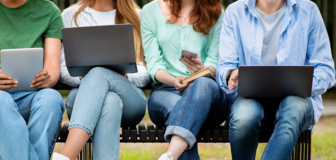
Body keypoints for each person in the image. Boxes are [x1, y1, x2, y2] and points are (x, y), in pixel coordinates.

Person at [217, 0, 335, 159]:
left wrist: (304, 84)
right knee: (243, 117)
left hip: (297, 100)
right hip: (249, 99)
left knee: (292, 111)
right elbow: (225, 66)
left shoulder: (309, 10)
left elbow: (326, 69)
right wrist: (230, 75)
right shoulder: (235, 12)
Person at [51, 0, 150, 159]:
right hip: (81, 101)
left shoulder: (138, 17)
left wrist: (121, 76)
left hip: (130, 101)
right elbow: (63, 69)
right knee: (110, 99)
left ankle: (66, 155)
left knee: (98, 73)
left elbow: (148, 70)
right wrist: (86, 77)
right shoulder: (70, 15)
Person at [0, 0, 65, 159]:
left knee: (51, 98)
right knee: (0, 99)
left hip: (33, 95)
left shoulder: (50, 10)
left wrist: (48, 78)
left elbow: (53, 65)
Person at [141, 0, 229, 159]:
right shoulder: (150, 11)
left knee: (201, 85)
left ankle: (170, 155)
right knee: (180, 109)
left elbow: (215, 61)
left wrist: (201, 70)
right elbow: (154, 64)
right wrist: (174, 80)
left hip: (206, 92)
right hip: (166, 90)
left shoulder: (216, 12)